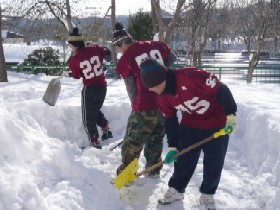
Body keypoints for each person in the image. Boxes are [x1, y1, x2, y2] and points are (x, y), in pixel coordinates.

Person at [139, 58, 237, 207]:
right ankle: (177, 190)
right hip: (191, 124)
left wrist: (230, 115)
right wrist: (172, 146)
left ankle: (207, 195)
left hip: (217, 122)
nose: (151, 90)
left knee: (214, 161)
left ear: (159, 81)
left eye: (151, 87)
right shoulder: (162, 97)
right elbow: (170, 121)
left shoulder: (191, 76)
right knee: (183, 158)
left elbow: (221, 89)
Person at [112, 22, 177, 177]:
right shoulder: (157, 45)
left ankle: (126, 173)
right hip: (163, 103)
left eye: (117, 47)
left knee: (132, 143)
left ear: (122, 43)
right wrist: (162, 74)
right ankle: (154, 169)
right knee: (156, 139)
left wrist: (136, 107)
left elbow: (131, 87)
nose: (118, 51)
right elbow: (172, 57)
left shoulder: (126, 58)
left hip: (144, 106)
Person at [67, 27, 113, 149]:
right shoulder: (95, 48)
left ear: (75, 46)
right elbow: (106, 53)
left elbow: (76, 76)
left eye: (70, 46)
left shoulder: (74, 60)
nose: (70, 48)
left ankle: (94, 141)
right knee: (94, 110)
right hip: (102, 86)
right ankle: (106, 128)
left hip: (90, 88)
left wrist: (72, 61)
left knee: (88, 116)